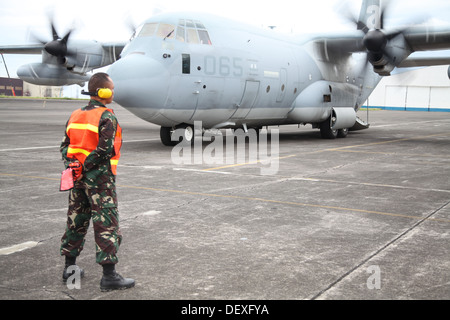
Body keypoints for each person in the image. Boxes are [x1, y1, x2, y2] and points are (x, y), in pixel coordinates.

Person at [59, 72, 135, 291]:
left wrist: (74, 166)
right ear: (103, 92)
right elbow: (105, 149)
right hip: (99, 181)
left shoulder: (75, 114)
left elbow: (64, 146)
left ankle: (69, 268)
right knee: (106, 224)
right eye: (110, 88)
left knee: (76, 220)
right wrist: (86, 167)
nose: (112, 92)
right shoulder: (106, 116)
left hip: (77, 180)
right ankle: (109, 276)